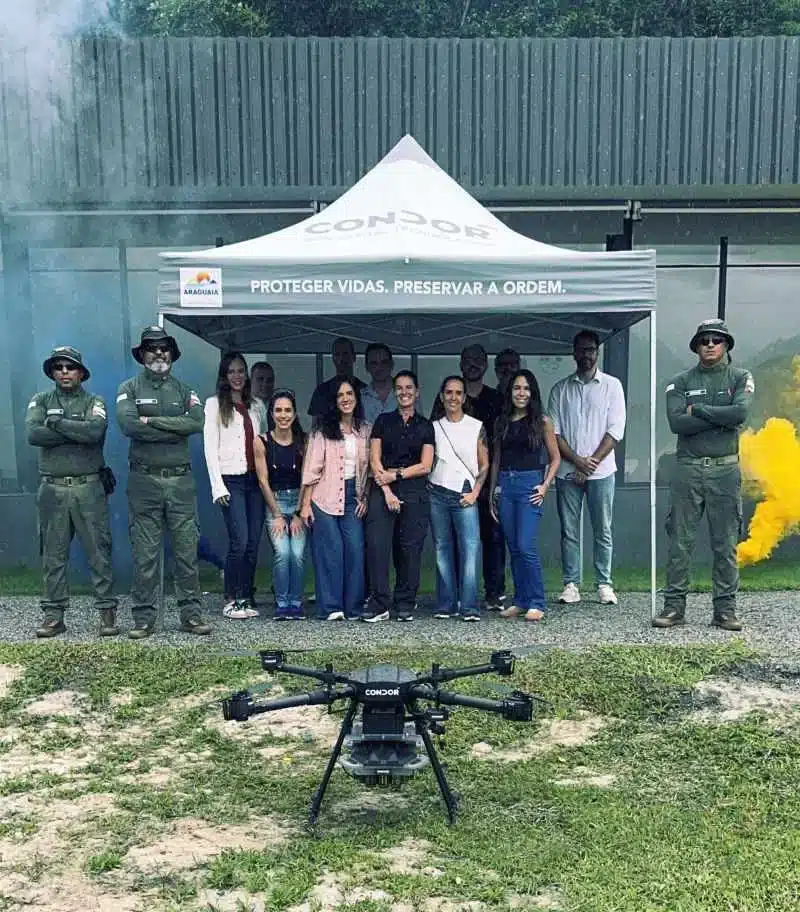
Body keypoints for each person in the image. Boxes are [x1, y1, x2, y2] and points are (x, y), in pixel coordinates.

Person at [653, 319, 753, 631]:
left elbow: (740, 413)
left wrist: (699, 410)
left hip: (725, 470)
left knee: (725, 543)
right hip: (688, 469)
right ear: (696, 346)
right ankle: (673, 608)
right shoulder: (679, 381)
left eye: (717, 340)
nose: (710, 344)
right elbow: (677, 424)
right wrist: (720, 417)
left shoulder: (740, 376)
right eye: (704, 340)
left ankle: (725, 611)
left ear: (726, 346)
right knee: (680, 542)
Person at [116, 326, 211, 638]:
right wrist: (175, 427)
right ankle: (143, 618)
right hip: (144, 483)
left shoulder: (186, 390)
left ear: (172, 354)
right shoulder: (128, 388)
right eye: (151, 348)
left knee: (186, 551)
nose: (158, 353)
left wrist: (153, 420)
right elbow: (130, 426)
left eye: (164, 348)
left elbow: (196, 422)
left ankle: (191, 616)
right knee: (145, 555)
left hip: (180, 483)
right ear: (142, 355)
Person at [25, 346, 118, 639]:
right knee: (53, 554)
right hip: (52, 488)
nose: (64, 372)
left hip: (88, 487)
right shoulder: (39, 400)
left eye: (70, 367)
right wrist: (75, 429)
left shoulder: (95, 400)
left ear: (81, 372)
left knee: (99, 553)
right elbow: (33, 434)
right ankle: (54, 616)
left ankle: (107, 614)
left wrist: (56, 423)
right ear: (52, 372)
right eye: (59, 367)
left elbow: (95, 434)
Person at [547, 330, 626, 607]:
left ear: (598, 352)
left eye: (590, 349)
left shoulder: (612, 386)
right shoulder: (560, 389)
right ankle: (571, 584)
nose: (586, 355)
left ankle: (604, 584)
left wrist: (589, 463)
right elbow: (554, 433)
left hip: (602, 471)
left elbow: (615, 431)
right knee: (569, 529)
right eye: (581, 350)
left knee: (602, 528)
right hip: (568, 472)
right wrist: (577, 462)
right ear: (574, 353)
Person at [365, 370, 435, 623]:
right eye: (399, 388)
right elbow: (374, 459)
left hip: (414, 492)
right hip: (381, 490)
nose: (404, 392)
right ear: (395, 392)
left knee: (410, 549)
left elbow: (425, 465)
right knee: (377, 546)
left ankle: (405, 603)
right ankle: (380, 603)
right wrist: (386, 488)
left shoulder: (425, 426)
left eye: (409, 388)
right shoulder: (383, 421)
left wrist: (396, 476)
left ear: (417, 392)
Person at [490, 370, 560, 621]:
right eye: (517, 388)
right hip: (506, 486)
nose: (522, 393)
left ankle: (537, 601)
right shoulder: (502, 422)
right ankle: (520, 600)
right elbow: (496, 459)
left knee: (525, 545)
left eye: (527, 389)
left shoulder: (542, 421)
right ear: (510, 392)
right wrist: (492, 492)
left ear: (533, 393)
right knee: (513, 547)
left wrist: (545, 486)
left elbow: (555, 458)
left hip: (530, 485)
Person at [299, 379, 370, 620]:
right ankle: (331, 607)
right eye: (340, 395)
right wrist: (306, 505)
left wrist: (365, 497)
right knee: (331, 552)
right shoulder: (322, 433)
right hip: (324, 497)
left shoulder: (365, 430)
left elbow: (369, 468)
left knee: (355, 550)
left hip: (353, 497)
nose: (346, 398)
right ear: (334, 401)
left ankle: (353, 608)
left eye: (349, 393)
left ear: (356, 398)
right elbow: (311, 471)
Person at [203, 352, 267, 620]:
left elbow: (263, 443)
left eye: (241, 371)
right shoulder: (214, 405)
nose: (237, 376)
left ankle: (246, 594)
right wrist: (218, 486)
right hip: (231, 479)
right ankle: (231, 597)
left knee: (253, 541)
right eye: (232, 372)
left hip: (255, 480)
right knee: (238, 541)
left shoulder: (256, 405)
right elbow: (209, 448)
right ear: (224, 376)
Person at [429, 376, 489, 622]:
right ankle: (446, 604)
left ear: (464, 397)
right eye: (449, 393)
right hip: (437, 492)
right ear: (442, 396)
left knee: (470, 549)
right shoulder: (433, 427)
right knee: (442, 549)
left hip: (465, 493)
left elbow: (484, 464)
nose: (453, 397)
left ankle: (470, 606)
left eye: (458, 393)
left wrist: (475, 492)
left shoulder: (476, 426)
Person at [458, 344, 506, 611]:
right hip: (456, 479)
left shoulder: (496, 399)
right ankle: (460, 592)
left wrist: (495, 483)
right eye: (468, 360)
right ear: (460, 364)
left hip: (488, 478)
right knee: (459, 538)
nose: (473, 364)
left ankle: (494, 592)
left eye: (478, 360)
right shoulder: (452, 396)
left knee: (493, 536)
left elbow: (499, 444)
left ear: (486, 365)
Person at [254, 390, 307, 620]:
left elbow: (307, 479)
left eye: (287, 410)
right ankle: (282, 602)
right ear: (271, 413)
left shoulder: (303, 441)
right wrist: (276, 513)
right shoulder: (262, 441)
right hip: (274, 502)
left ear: (294, 415)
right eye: (278, 410)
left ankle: (296, 603)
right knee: (282, 553)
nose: (283, 415)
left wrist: (298, 513)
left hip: (298, 503)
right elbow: (263, 480)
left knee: (296, 554)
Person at [308, 337, 365, 423]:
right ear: (333, 358)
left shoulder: (364, 391)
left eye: (345, 354)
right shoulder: (322, 391)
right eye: (337, 354)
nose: (341, 359)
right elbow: (315, 427)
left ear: (354, 357)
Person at [361, 342, 397, 425]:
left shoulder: (406, 393)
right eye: (374, 363)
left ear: (392, 364)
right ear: (367, 367)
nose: (379, 367)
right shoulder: (360, 398)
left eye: (384, 362)